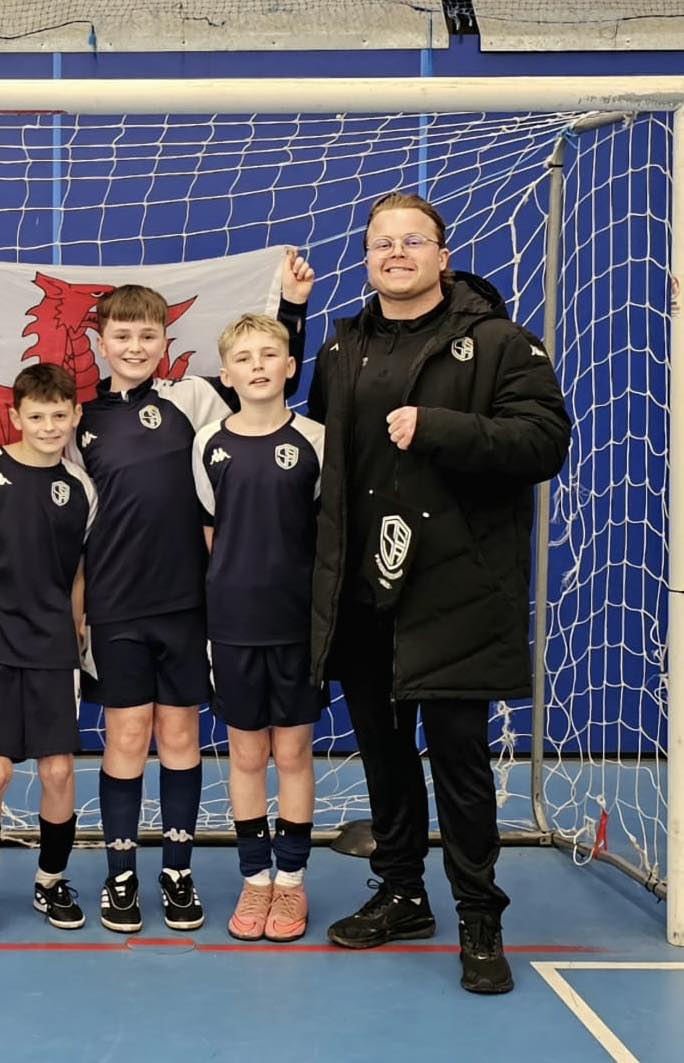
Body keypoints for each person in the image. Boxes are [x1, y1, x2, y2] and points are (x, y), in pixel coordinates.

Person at [308, 192, 570, 993]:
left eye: (412, 240)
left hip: (454, 590)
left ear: (442, 256)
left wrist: (442, 428)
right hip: (365, 592)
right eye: (381, 243)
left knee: (459, 762)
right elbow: (325, 456)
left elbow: (545, 441)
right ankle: (401, 893)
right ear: (367, 259)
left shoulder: (498, 341)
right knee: (386, 759)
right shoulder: (342, 347)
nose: (396, 253)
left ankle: (480, 918)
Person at [71, 252, 314, 934]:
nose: (135, 346)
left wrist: (292, 309)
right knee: (126, 736)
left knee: (180, 736)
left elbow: (268, 393)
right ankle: (121, 874)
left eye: (148, 335)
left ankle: (177, 871)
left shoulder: (194, 400)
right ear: (100, 343)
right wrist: (74, 609)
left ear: (165, 341)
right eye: (122, 335)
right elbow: (68, 516)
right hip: (115, 607)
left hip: (188, 605)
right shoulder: (80, 419)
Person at [0, 363, 97, 939]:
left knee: (58, 769)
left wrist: (75, 625)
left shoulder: (81, 487)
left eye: (59, 415)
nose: (48, 426)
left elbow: (80, 567)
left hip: (53, 647)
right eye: (36, 416)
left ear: (76, 415)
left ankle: (51, 879)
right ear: (15, 417)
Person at [193, 314, 324, 943]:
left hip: (297, 625)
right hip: (233, 625)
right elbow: (211, 532)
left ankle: (291, 882)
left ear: (290, 366)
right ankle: (255, 878)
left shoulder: (317, 440)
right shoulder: (208, 443)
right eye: (243, 358)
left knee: (293, 753)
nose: (257, 366)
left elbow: (327, 534)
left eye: (269, 355)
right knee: (246, 755)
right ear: (227, 374)